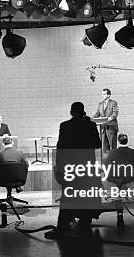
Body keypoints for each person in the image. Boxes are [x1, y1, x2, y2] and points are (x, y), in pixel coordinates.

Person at [46, 102, 101, 239]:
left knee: (68, 196)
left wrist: (59, 167)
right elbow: (97, 144)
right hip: (87, 167)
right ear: (83, 111)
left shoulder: (65, 126)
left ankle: (62, 227)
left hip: (71, 166)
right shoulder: (91, 125)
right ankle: (84, 223)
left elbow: (61, 148)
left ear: (71, 112)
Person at [93, 88, 119, 153]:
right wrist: (92, 119)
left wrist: (107, 119)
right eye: (102, 94)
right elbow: (97, 113)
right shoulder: (100, 104)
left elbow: (115, 113)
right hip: (103, 129)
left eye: (104, 94)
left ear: (108, 95)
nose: (102, 96)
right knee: (104, 149)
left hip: (111, 128)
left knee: (113, 148)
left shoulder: (113, 103)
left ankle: (114, 162)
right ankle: (106, 162)